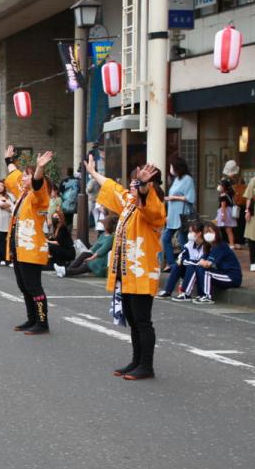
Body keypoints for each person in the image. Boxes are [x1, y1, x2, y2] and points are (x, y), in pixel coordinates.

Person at [86, 157, 165, 380]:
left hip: (141, 271)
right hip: (127, 272)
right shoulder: (129, 203)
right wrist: (93, 173)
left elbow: (151, 209)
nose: (132, 185)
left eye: (136, 182)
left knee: (142, 320)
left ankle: (146, 366)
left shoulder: (154, 205)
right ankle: (136, 360)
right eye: (133, 182)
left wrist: (144, 186)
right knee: (132, 319)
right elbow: (112, 187)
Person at [4, 146, 54, 335]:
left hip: (31, 249)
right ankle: (31, 318)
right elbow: (14, 177)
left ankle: (42, 321)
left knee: (34, 287)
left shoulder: (37, 197)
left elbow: (38, 183)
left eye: (27, 176)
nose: (23, 178)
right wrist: (9, 161)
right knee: (24, 286)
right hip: (19, 249)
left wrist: (40, 168)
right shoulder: (23, 195)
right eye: (24, 176)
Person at [186, 225, 242, 303]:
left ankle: (207, 296)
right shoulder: (209, 246)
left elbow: (207, 264)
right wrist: (199, 262)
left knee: (205, 271)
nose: (208, 234)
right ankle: (199, 295)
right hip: (221, 274)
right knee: (199, 269)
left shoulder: (220, 246)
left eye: (210, 232)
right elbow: (201, 261)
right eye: (206, 232)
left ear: (217, 233)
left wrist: (198, 262)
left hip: (231, 277)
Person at [158, 220, 209, 300]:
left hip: (201, 274)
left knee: (191, 266)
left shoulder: (206, 246)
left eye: (191, 232)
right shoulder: (190, 243)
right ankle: (167, 291)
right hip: (191, 272)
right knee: (176, 266)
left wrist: (185, 261)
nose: (189, 234)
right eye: (189, 231)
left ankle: (186, 293)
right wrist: (183, 260)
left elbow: (201, 262)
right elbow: (182, 256)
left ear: (199, 233)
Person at [162, 156, 195, 271]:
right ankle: (172, 264)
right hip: (173, 215)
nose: (170, 168)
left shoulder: (187, 179)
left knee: (182, 241)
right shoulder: (177, 179)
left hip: (182, 214)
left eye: (172, 166)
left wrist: (173, 197)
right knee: (166, 238)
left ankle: (186, 264)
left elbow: (190, 198)